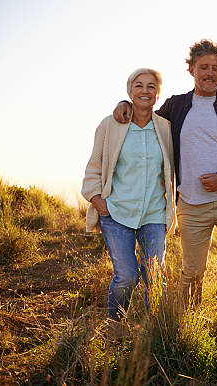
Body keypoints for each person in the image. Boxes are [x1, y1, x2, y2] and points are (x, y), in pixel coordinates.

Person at [113, 39, 217, 349]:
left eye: (215, 68)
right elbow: (145, 118)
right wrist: (125, 105)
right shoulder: (176, 105)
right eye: (203, 67)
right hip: (190, 206)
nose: (210, 73)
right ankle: (189, 328)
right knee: (192, 272)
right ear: (191, 69)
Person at [82, 68, 175, 328]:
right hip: (116, 212)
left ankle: (154, 333)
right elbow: (94, 166)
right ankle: (116, 327)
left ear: (158, 93)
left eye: (151, 86)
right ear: (129, 91)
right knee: (127, 277)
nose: (145, 91)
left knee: (155, 277)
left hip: (154, 214)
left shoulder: (166, 128)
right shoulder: (110, 125)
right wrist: (98, 201)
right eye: (139, 86)